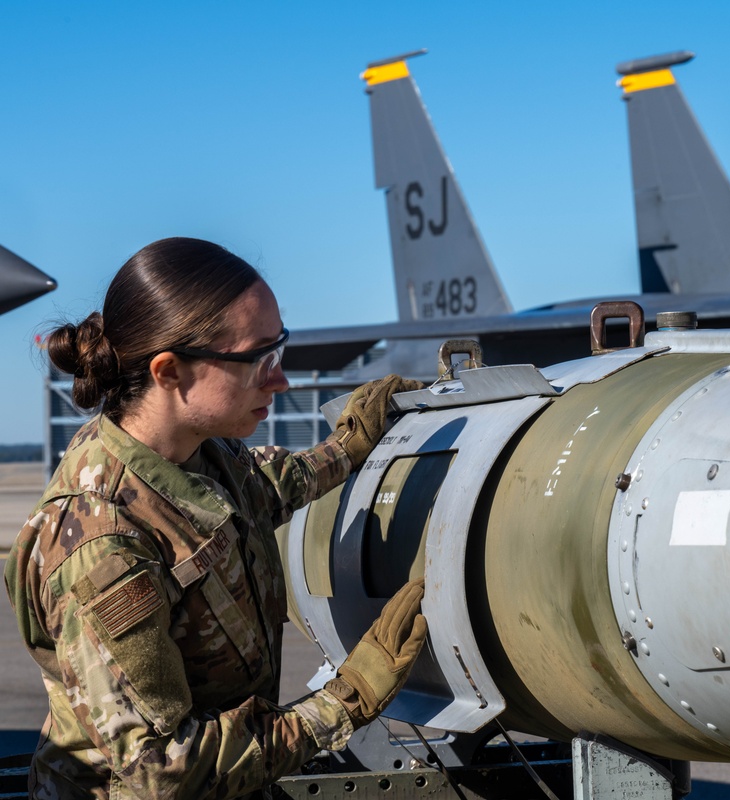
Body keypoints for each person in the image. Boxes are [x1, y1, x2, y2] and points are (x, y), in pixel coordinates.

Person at [4, 237, 427, 799]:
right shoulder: (104, 546)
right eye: (257, 360)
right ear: (169, 371)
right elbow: (163, 772)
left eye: (279, 351)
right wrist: (348, 698)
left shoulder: (195, 454)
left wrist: (349, 447)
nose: (279, 380)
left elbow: (266, 489)